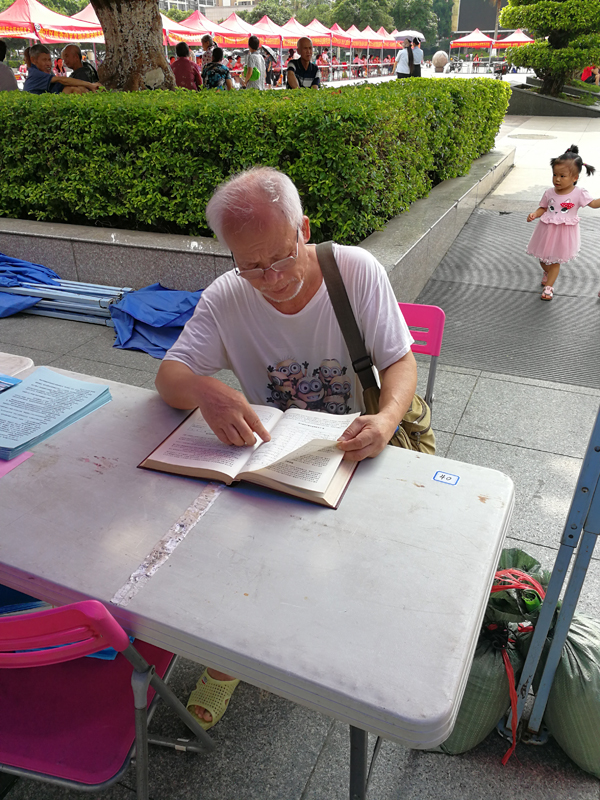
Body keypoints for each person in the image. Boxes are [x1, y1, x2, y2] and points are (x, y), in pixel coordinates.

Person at [154, 166, 417, 729]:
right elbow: (169, 378)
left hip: (358, 447)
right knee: (228, 545)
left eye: (280, 257)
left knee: (367, 557)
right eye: (251, 266)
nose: (271, 279)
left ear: (304, 229)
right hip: (277, 454)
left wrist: (386, 418)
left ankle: (344, 636)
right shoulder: (227, 296)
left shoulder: (354, 270)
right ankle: (229, 658)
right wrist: (205, 389)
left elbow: (399, 360)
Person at [526, 145, 600, 301]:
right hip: (546, 231)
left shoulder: (579, 193)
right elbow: (543, 208)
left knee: (555, 261)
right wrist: (535, 214)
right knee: (543, 259)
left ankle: (549, 287)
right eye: (554, 175)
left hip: (564, 234)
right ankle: (547, 272)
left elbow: (593, 204)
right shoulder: (549, 192)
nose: (557, 179)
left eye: (562, 176)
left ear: (575, 178)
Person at [23, 44, 100, 95]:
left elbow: (65, 84)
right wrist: (90, 85)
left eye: (49, 60)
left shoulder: (85, 69)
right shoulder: (35, 74)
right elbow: (62, 80)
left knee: (77, 89)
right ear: (33, 60)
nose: (49, 64)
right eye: (44, 60)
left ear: (76, 57)